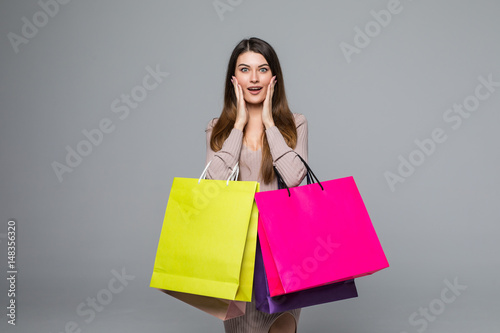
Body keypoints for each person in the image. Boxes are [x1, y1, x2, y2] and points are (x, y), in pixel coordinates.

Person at [205, 37, 308, 333]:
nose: (253, 78)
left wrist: (270, 123)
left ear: (273, 78)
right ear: (233, 79)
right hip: (237, 254)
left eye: (262, 69)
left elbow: (292, 177)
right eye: (245, 69)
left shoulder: (294, 123)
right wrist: (237, 126)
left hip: (283, 253)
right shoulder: (218, 129)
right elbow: (216, 183)